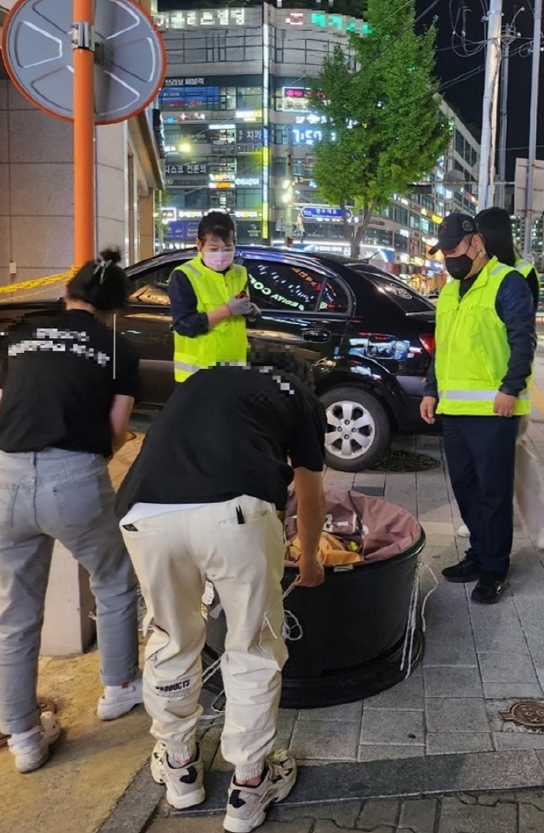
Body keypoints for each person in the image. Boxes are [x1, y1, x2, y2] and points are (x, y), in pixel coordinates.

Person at [115, 345, 327, 832]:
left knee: (171, 638)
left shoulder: (201, 380)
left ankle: (180, 768)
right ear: (299, 377)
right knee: (252, 647)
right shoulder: (296, 392)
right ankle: (250, 786)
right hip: (236, 513)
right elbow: (311, 489)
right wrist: (310, 555)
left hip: (145, 514)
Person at [0, 249, 143, 774]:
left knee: (15, 613)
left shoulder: (18, 335)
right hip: (75, 477)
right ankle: (120, 687)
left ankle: (22, 737)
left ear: (68, 292)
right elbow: (116, 431)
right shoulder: (116, 347)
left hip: (6, 475)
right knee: (113, 580)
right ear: (114, 309)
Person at [420, 213, 537, 604]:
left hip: (494, 410)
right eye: (444, 253)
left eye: (454, 250)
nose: (449, 259)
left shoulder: (507, 282)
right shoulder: (450, 292)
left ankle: (494, 569)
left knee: (493, 492)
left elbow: (524, 340)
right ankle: (478, 552)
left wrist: (511, 387)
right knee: (466, 487)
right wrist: (430, 391)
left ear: (476, 243)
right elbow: (442, 349)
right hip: (454, 410)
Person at [453, 207, 544, 551]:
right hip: (479, 391)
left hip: (508, 389)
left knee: (513, 456)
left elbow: (521, 335)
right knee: (492, 462)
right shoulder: (474, 276)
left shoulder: (517, 275)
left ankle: (539, 524)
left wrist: (510, 386)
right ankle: (485, 525)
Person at [168, 211, 259, 381]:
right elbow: (184, 325)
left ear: (235, 245)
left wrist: (251, 313)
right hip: (197, 375)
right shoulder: (184, 275)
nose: (221, 255)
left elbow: (241, 321)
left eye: (227, 249)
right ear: (199, 245)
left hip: (235, 371)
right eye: (213, 249)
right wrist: (227, 310)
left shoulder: (241, 273)